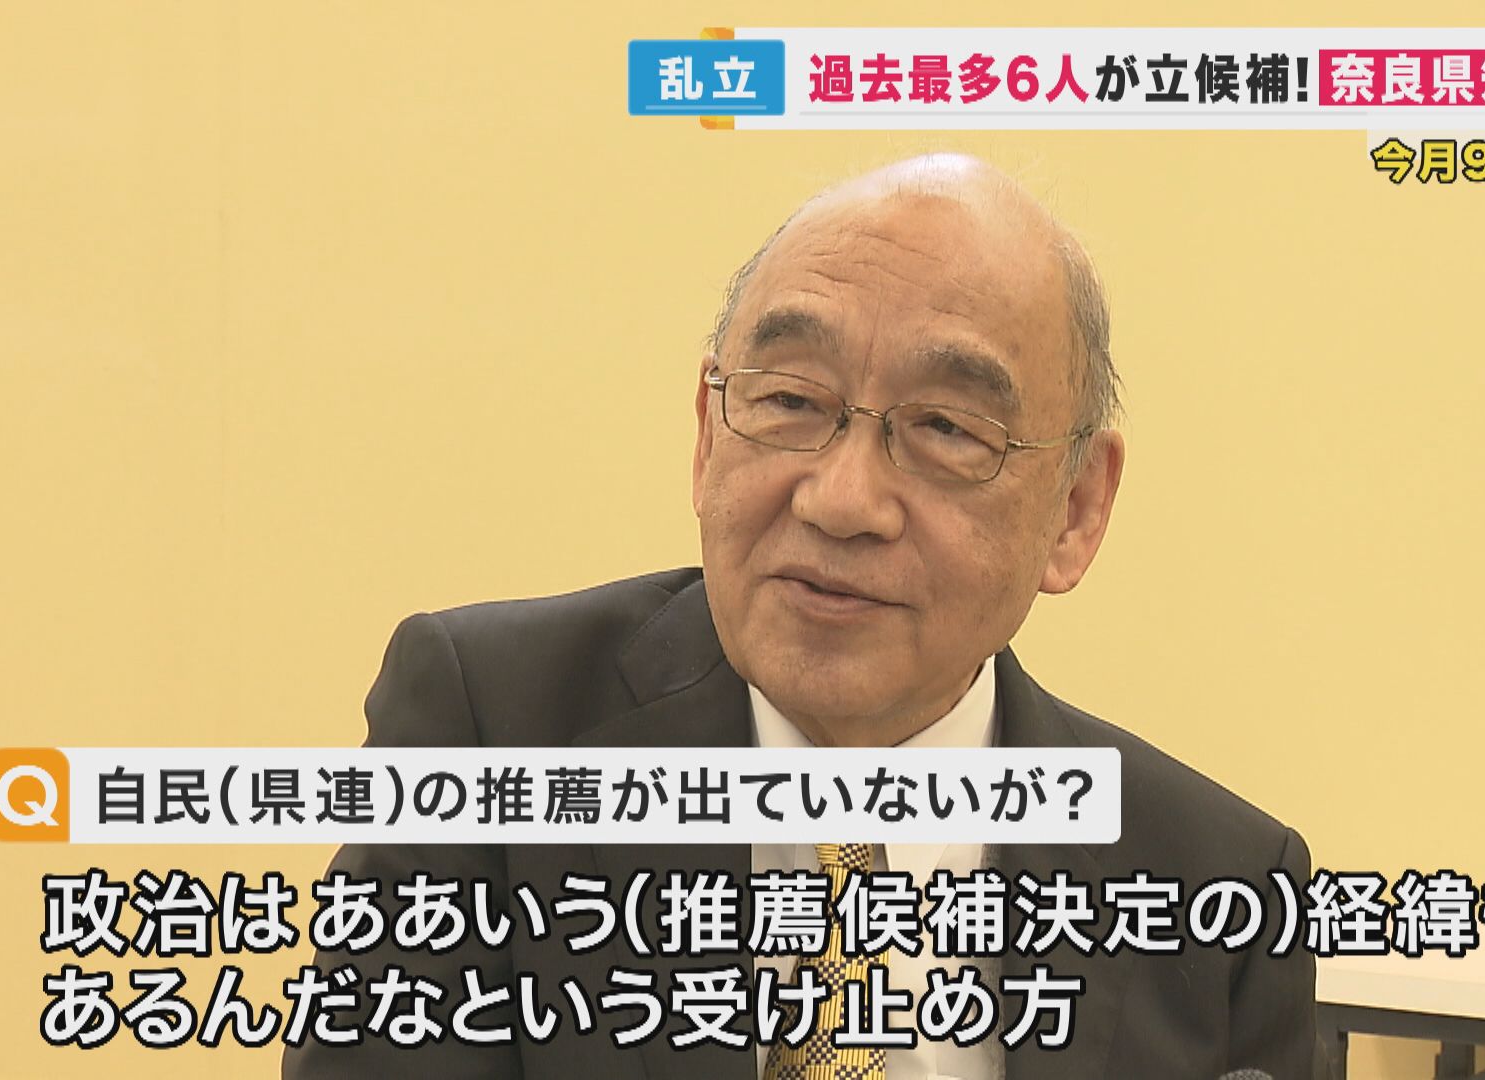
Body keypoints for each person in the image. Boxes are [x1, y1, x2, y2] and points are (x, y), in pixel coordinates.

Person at [285, 154, 1319, 1079]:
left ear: (1077, 509)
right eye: (789, 402)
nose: (841, 500)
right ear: (707, 435)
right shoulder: (492, 731)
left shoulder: (1218, 889)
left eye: (945, 427)